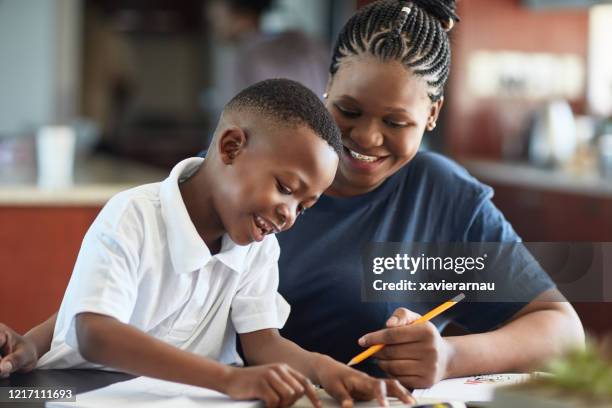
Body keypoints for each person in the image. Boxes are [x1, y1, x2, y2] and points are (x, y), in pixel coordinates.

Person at [1, 0, 584, 392]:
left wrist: (453, 357)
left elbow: (561, 328)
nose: (366, 138)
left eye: (396, 122)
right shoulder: (250, 186)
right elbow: (139, 287)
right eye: (348, 110)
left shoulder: (443, 202)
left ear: (432, 116)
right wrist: (35, 342)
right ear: (325, 83)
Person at [0, 79, 413, 408]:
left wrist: (326, 370)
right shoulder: (134, 215)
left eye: (304, 206)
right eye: (286, 188)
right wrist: (228, 379)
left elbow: (262, 342)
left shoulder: (259, 248)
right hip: (75, 391)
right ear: (231, 148)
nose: (289, 215)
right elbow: (94, 331)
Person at [202, 0, 329, 134]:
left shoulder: (245, 56)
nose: (210, 15)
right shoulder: (304, 44)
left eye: (216, 15)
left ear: (236, 9)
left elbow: (234, 127)